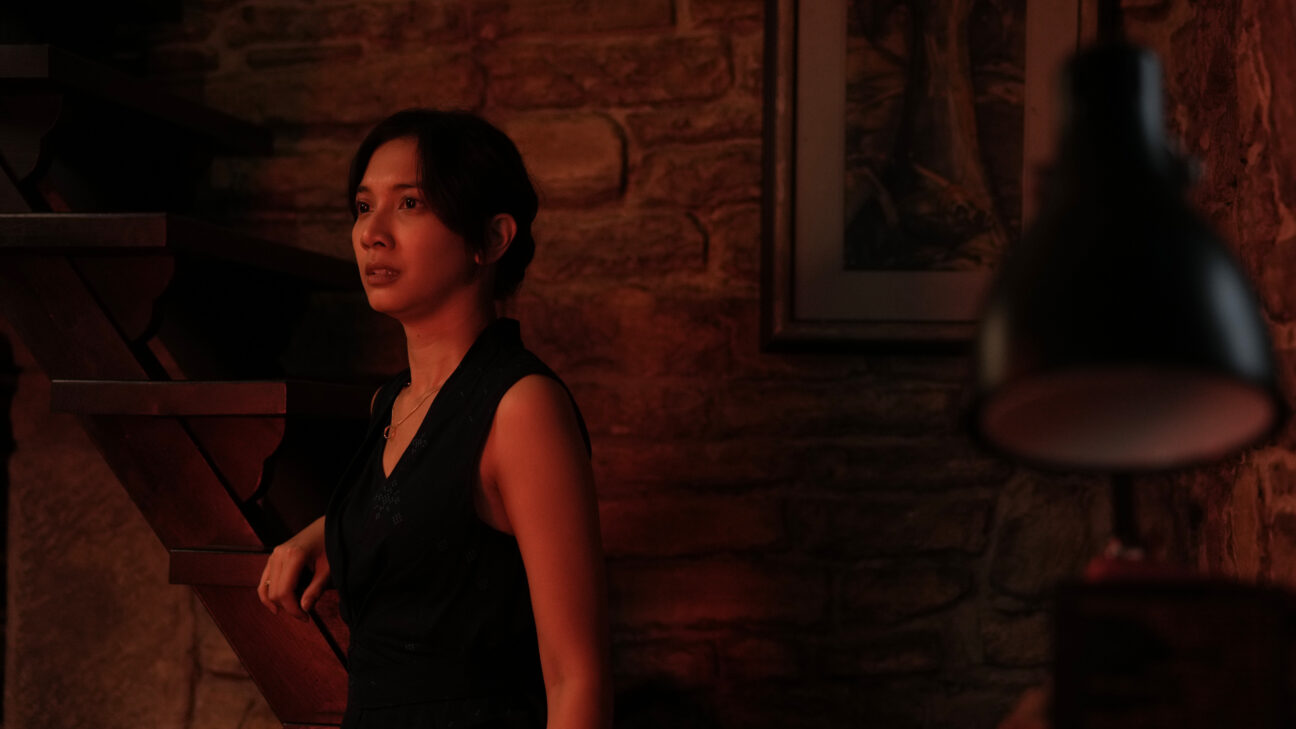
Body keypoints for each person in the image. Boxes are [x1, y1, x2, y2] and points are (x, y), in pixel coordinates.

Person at [256, 108, 612, 729]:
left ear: (491, 239)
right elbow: (426, 522)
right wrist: (326, 532)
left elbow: (576, 676)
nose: (372, 233)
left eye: (410, 204)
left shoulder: (521, 407)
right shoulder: (390, 403)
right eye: (363, 207)